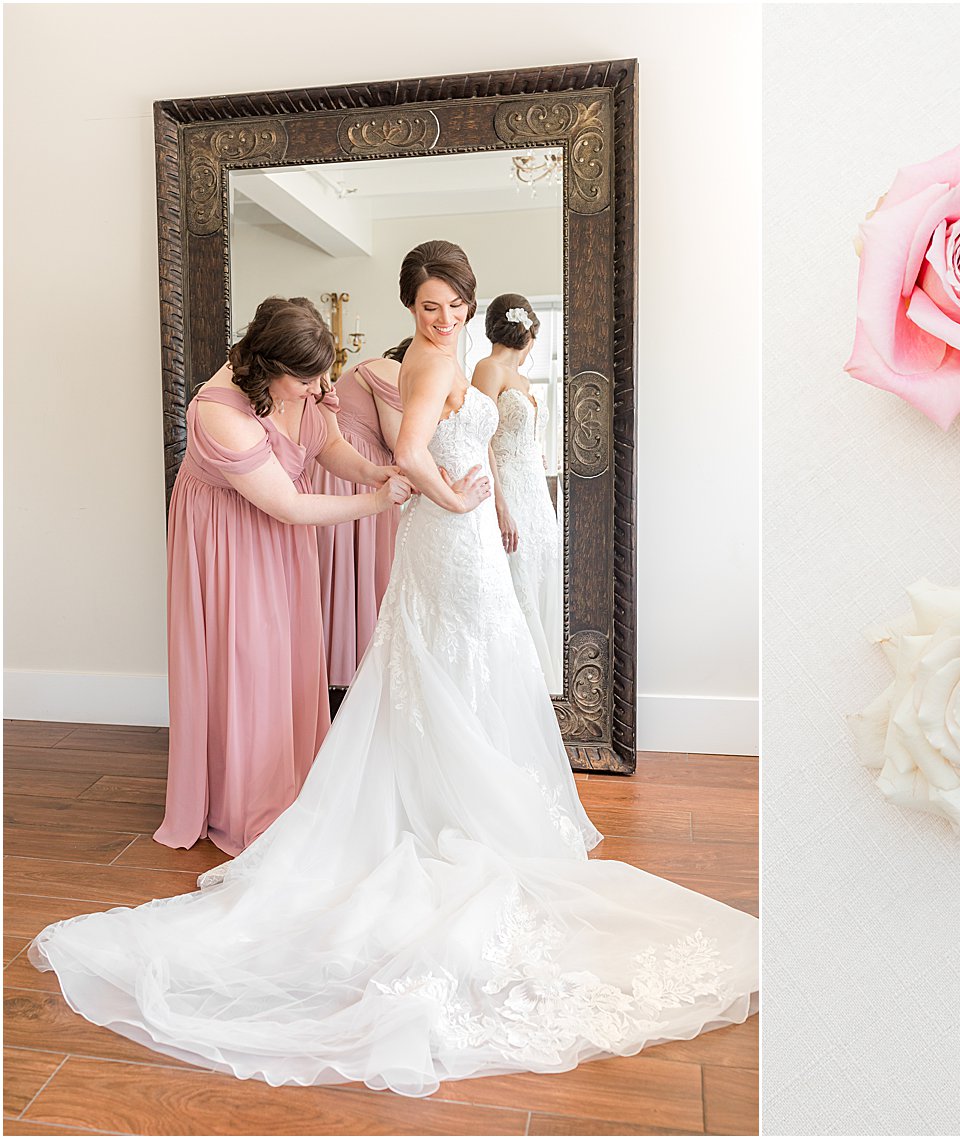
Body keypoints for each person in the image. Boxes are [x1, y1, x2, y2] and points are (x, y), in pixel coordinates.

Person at [31, 241, 758, 1097]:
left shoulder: (389, 374)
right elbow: (330, 485)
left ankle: (417, 788)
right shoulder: (255, 404)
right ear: (410, 308)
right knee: (409, 663)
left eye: (454, 305)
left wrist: (390, 476)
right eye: (428, 306)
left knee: (460, 661)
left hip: (452, 536)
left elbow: (341, 445)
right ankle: (298, 799)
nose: (442, 319)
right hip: (329, 535)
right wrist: (422, 493)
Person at [156, 297, 410, 856]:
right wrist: (374, 501)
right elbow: (290, 506)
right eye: (310, 380)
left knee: (290, 657)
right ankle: (246, 800)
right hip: (229, 540)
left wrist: (374, 470)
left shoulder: (302, 387)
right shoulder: (219, 413)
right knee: (248, 662)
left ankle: (295, 783)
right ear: (271, 367)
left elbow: (330, 444)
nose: (322, 391)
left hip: (278, 537)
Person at [312, 338, 411, 688]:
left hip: (361, 473)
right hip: (350, 473)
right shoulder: (390, 369)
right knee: (345, 572)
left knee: (360, 574)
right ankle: (340, 682)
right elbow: (403, 446)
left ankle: (349, 676)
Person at [473, 294, 562, 682]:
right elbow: (480, 439)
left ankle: (547, 679)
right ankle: (518, 680)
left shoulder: (524, 380)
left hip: (534, 488)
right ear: (526, 333)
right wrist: (500, 505)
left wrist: (533, 454)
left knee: (542, 569)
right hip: (506, 486)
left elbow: (520, 433)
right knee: (516, 574)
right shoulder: (488, 369)